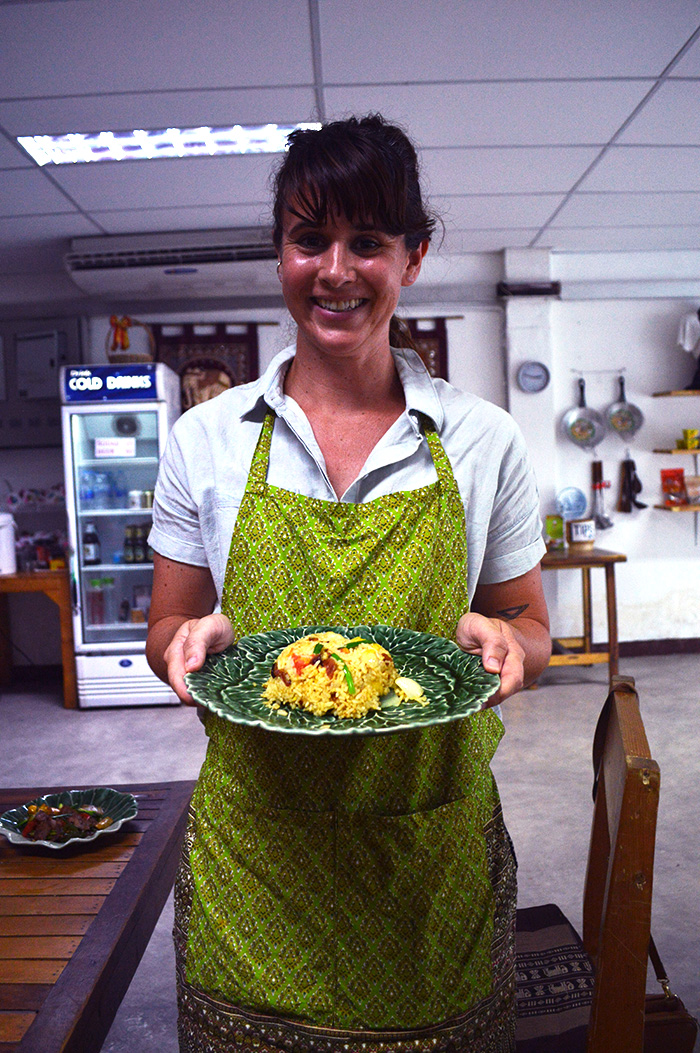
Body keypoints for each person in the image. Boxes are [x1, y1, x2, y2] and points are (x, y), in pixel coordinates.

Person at [146, 113, 551, 1053]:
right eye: (308, 238)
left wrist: (512, 644)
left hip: (429, 864)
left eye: (367, 241)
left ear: (411, 257)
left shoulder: (482, 439)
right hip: (258, 868)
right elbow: (166, 626)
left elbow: (531, 620)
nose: (335, 269)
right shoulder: (205, 443)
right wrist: (186, 642)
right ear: (279, 252)